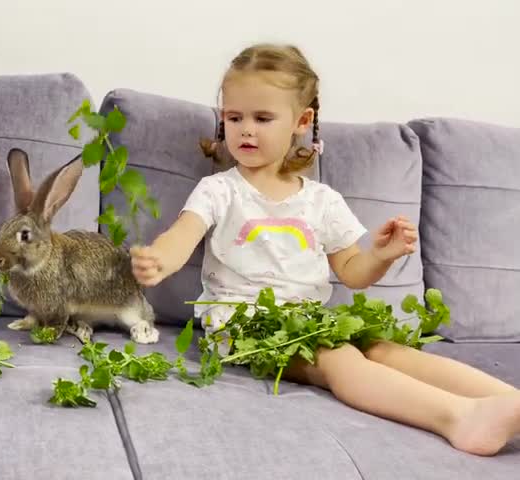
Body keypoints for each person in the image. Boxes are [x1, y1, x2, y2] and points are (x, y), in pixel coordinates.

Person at [129, 43, 520, 457]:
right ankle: (459, 418)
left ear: (302, 121)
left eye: (262, 118)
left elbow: (352, 269)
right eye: (234, 116)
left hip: (309, 321)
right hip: (245, 329)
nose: (245, 129)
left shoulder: (321, 201)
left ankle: (507, 400)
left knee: (386, 350)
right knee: (338, 359)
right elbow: (184, 233)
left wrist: (382, 256)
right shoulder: (220, 190)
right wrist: (161, 259)